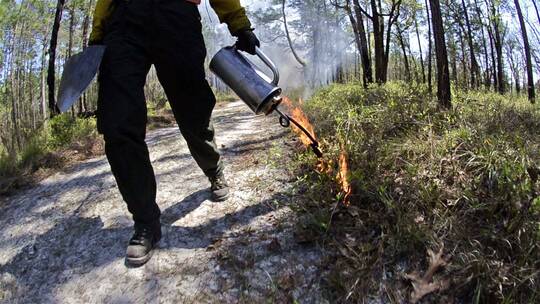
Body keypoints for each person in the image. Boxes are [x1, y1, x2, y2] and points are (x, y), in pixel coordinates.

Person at [89, 0, 260, 266]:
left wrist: (239, 23)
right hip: (124, 21)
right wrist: (98, 32)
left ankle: (214, 169)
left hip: (177, 13)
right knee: (117, 122)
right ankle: (146, 221)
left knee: (193, 111)